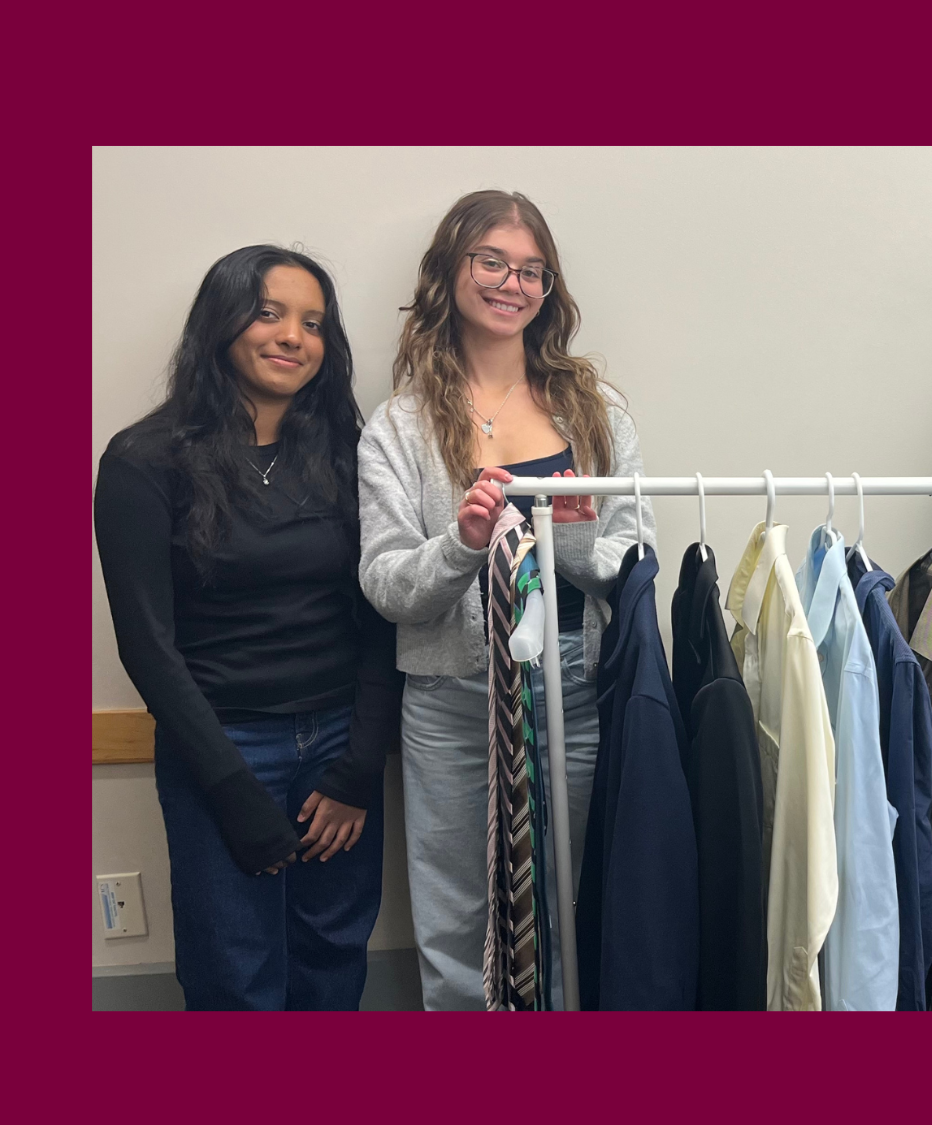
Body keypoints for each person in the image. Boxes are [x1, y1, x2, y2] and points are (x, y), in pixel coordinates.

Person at [358, 188, 654, 1011]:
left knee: (576, 893)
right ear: (450, 270)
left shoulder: (597, 411)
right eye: (491, 260)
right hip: (453, 697)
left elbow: (639, 555)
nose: (511, 283)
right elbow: (385, 583)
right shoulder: (397, 428)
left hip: (580, 686)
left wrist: (563, 536)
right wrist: (462, 543)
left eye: (532, 270)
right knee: (457, 915)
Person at [96, 246, 399, 1010]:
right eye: (268, 313)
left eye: (312, 322)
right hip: (220, 746)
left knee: (332, 958)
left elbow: (378, 615)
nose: (292, 335)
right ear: (221, 323)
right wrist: (232, 788)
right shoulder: (143, 460)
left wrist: (359, 770)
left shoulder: (347, 453)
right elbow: (146, 644)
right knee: (234, 974)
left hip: (337, 743)